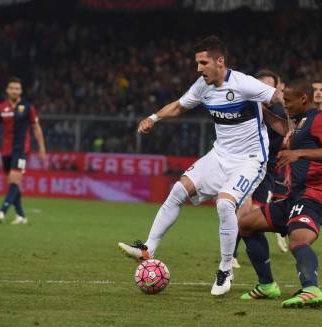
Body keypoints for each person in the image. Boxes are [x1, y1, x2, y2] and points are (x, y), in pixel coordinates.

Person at [118, 36, 284, 296]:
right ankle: (147, 248)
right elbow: (179, 106)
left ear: (220, 61)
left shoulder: (245, 84)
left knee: (224, 203)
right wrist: (153, 117)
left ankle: (225, 269)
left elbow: (279, 96)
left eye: (203, 62)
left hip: (250, 161)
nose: (198, 69)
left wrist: (298, 123)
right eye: (197, 63)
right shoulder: (202, 85)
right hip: (219, 156)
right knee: (178, 190)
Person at [238, 78, 322, 308]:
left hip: (314, 197)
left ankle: (311, 289)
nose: (284, 105)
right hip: (294, 198)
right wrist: (258, 107)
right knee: (246, 224)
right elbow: (281, 126)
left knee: (298, 240)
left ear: (304, 98)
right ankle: (266, 285)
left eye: (287, 100)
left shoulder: (320, 118)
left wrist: (298, 154)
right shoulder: (300, 123)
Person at [232, 70, 288, 269]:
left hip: (268, 171)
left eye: (268, 85)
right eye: (260, 84)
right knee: (244, 211)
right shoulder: (241, 108)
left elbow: (288, 138)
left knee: (255, 215)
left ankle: (278, 233)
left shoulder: (280, 115)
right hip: (244, 166)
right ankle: (231, 255)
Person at [0, 77, 46, 224]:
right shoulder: (1, 108)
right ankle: (21, 216)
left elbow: (36, 128)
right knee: (12, 181)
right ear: (7, 90)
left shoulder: (27, 107)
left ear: (21, 91)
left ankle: (2, 211)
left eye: (17, 88)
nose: (14, 90)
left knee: (14, 178)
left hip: (22, 151)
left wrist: (41, 147)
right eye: (12, 88)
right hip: (6, 151)